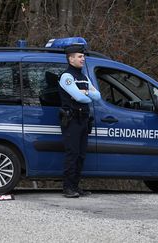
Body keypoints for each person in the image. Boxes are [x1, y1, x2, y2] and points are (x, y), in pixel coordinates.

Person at [58, 44, 101, 198]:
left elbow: (98, 96)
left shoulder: (83, 77)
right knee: (72, 154)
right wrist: (85, 93)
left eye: (83, 56)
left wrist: (86, 91)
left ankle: (75, 186)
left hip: (83, 120)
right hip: (72, 121)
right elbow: (80, 97)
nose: (83, 59)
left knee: (81, 155)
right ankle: (68, 188)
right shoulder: (66, 77)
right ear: (71, 59)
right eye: (79, 56)